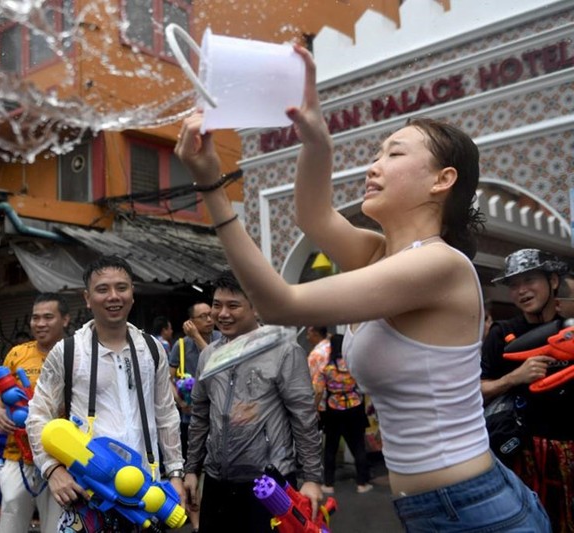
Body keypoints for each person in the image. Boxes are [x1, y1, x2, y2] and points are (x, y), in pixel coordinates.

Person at [175, 44, 550, 531]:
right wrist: (315, 139)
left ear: (443, 180)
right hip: (440, 508)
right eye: (376, 153)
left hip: (474, 511)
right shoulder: (381, 253)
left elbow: (278, 302)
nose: (374, 165)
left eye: (393, 154)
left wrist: (212, 189)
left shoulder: (439, 266)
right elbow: (312, 215)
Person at [25, 255, 185, 531]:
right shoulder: (68, 352)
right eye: (103, 289)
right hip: (88, 490)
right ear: (87, 298)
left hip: (148, 491)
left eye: (121, 288)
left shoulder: (152, 349)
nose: (114, 296)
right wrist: (52, 470)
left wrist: (176, 474)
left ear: (132, 293)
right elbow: (38, 415)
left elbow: (166, 415)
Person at [182, 270, 323, 532]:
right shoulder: (208, 355)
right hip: (217, 482)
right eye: (217, 305)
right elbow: (200, 416)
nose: (222, 313)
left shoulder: (284, 351)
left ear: (255, 307)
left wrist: (312, 479)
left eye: (233, 305)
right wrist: (192, 470)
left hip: (270, 486)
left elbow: (304, 418)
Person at [481, 249, 574, 531]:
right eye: (513, 285)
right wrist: (515, 378)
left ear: (553, 281)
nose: (521, 291)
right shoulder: (502, 333)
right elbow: (475, 391)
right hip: (526, 452)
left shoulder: (570, 328)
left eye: (530, 280)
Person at [0, 293, 70, 533]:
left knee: (57, 524)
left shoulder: (77, 354)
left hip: (61, 457)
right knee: (11, 516)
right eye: (35, 318)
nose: (40, 323)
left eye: (48, 317)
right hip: (17, 453)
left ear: (65, 320)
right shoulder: (17, 354)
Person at [167, 301, 220, 533]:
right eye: (203, 316)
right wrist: (180, 402)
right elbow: (168, 379)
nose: (210, 319)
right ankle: (198, 524)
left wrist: (198, 337)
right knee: (193, 472)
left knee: (218, 472)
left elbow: (219, 363)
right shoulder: (180, 345)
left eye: (211, 314)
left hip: (220, 420)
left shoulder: (223, 339)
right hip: (192, 420)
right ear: (191, 321)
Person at [313, 334, 371, 495]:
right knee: (359, 445)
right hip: (354, 406)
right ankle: (362, 483)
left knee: (330, 446)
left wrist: (315, 408)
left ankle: (329, 484)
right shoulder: (353, 365)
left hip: (333, 409)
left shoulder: (327, 368)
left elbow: (318, 391)